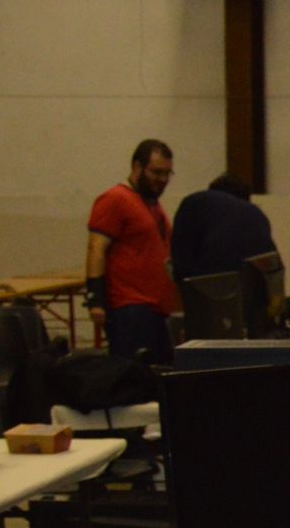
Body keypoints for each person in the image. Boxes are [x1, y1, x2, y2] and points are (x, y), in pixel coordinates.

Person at [85, 138, 179, 363]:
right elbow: (96, 248)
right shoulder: (115, 199)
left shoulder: (151, 203)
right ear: (137, 167)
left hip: (156, 309)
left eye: (168, 173)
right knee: (134, 376)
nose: (163, 179)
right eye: (157, 172)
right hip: (131, 309)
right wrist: (96, 299)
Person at [169, 171, 277, 284]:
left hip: (212, 284)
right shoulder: (258, 215)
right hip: (258, 286)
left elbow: (182, 260)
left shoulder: (198, 205)